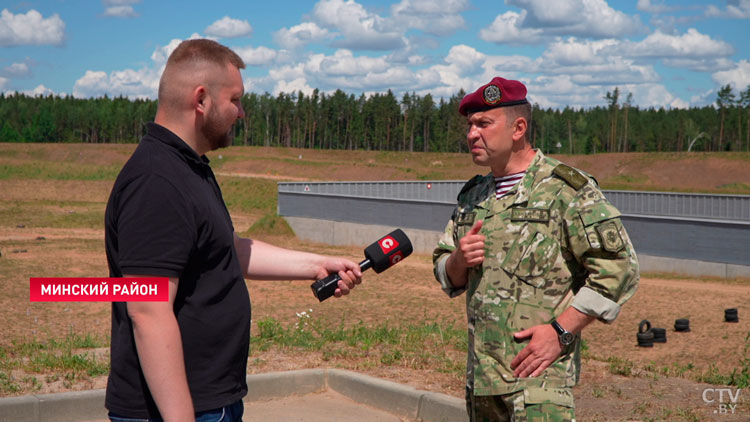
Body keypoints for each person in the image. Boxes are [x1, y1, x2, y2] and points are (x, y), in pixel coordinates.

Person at [104, 39, 363, 422]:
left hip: (209, 400)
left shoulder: (188, 168)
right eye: (236, 100)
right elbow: (148, 311)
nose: (241, 113)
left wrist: (317, 264)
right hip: (174, 410)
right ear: (201, 99)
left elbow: (227, 251)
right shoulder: (157, 181)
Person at [432, 77, 639, 421]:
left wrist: (561, 331)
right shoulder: (474, 196)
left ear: (519, 128)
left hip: (539, 386)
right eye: (470, 125)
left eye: (484, 124)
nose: (472, 134)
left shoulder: (566, 190)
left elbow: (619, 269)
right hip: (482, 383)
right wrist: (458, 260)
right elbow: (444, 271)